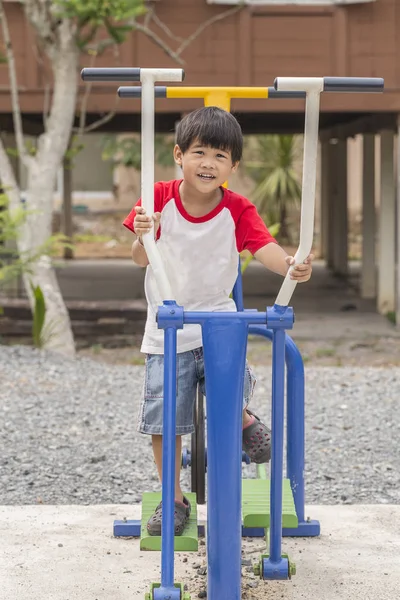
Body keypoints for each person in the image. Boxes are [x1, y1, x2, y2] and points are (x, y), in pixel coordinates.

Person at [123, 106, 314, 536]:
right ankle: (172, 498)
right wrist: (143, 234)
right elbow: (140, 259)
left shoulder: (237, 208)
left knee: (226, 387)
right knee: (165, 416)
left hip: (217, 320)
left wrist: (289, 265)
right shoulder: (156, 199)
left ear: (233, 166)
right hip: (168, 325)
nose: (208, 163)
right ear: (178, 154)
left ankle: (243, 417)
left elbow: (263, 247)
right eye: (199, 152)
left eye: (220, 156)